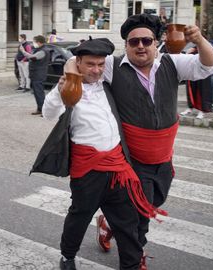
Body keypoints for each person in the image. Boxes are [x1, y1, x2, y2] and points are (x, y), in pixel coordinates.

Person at [62, 14, 213, 269]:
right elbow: (75, 60)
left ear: (156, 42)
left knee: (151, 204)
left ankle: (107, 225)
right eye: (133, 41)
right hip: (131, 161)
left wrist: (199, 39)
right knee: (140, 216)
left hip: (163, 159)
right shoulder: (113, 66)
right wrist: (71, 78)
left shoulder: (172, 63)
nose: (140, 46)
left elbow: (210, 66)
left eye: (146, 40)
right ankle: (136, 257)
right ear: (126, 45)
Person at [38, 37, 159, 270]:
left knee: (127, 222)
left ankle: (132, 265)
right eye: (90, 64)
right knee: (80, 216)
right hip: (87, 171)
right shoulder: (70, 88)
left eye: (100, 64)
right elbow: (49, 114)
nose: (96, 70)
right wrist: (61, 88)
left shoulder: (107, 84)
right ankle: (68, 256)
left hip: (118, 168)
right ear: (79, 64)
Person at [180, 47, 213, 119]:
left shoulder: (207, 46)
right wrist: (187, 53)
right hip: (192, 70)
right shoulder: (192, 47)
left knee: (202, 91)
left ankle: (202, 111)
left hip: (204, 72)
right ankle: (190, 107)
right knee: (191, 90)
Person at [19, 35, 50, 115]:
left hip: (39, 74)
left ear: (39, 42)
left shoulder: (43, 51)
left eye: (34, 41)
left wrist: (23, 51)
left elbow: (33, 57)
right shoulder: (39, 49)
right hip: (35, 74)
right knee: (36, 93)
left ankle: (44, 110)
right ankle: (39, 109)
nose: (33, 43)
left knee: (39, 93)